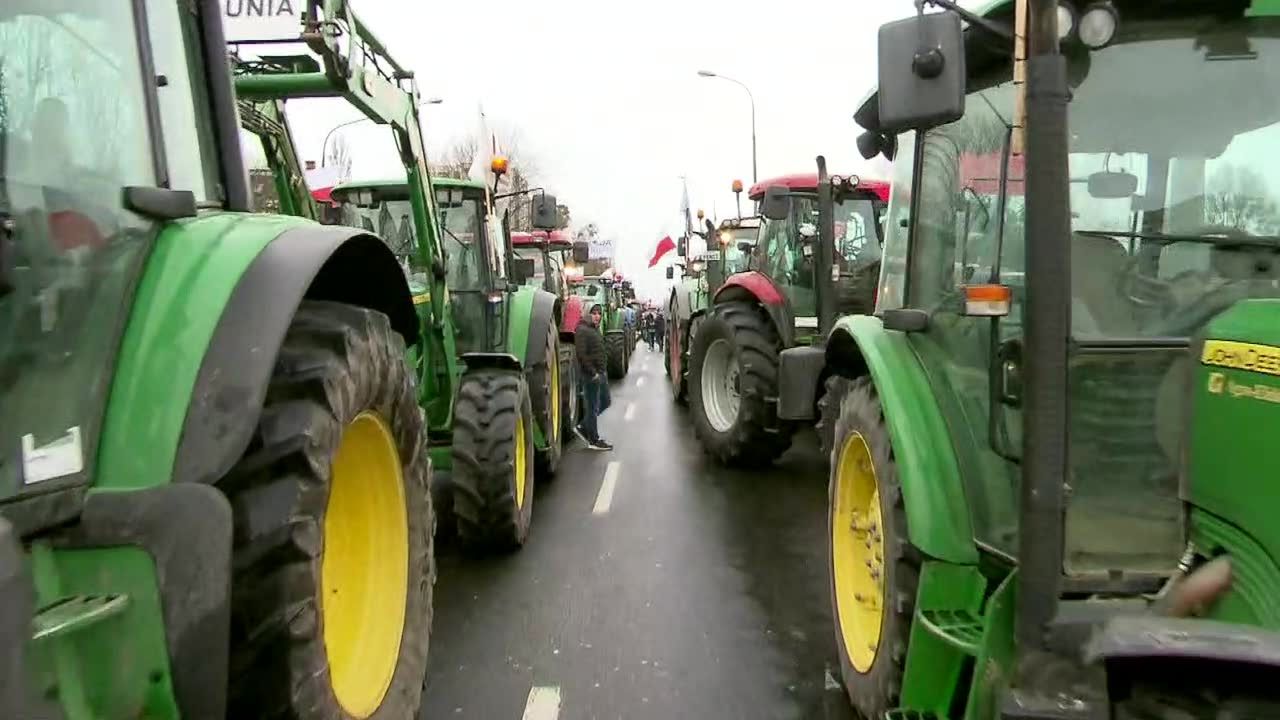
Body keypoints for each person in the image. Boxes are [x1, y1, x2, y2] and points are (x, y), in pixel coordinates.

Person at [574, 303, 613, 450]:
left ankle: (584, 427)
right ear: (587, 313)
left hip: (601, 373)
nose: (597, 316)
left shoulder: (594, 329)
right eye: (594, 313)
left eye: (599, 313)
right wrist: (593, 372)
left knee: (605, 401)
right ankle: (594, 440)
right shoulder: (582, 330)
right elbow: (581, 354)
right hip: (592, 375)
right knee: (592, 407)